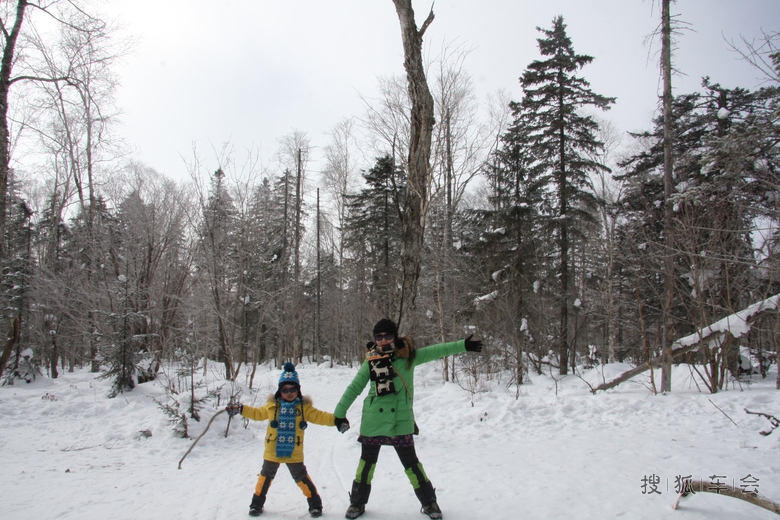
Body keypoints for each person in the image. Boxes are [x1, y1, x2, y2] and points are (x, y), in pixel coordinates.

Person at [333, 318, 482, 520]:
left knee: (412, 464)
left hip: (400, 422)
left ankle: (429, 503)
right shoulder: (371, 362)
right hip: (373, 421)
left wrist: (462, 345)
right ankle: (357, 503)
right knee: (366, 464)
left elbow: (436, 351)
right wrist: (339, 414)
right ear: (375, 339)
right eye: (379, 337)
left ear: (395, 336)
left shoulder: (408, 358)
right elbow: (354, 388)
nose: (383, 340)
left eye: (388, 335)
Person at [226, 362, 350, 518]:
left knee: (301, 477)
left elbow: (320, 416)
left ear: (298, 390)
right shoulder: (272, 406)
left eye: (293, 389)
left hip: (294, 451)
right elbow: (257, 413)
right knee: (265, 476)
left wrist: (337, 421)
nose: (289, 393)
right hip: (273, 450)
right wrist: (241, 408)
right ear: (280, 391)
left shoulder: (304, 408)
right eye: (285, 390)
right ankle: (256, 504)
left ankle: (315, 504)